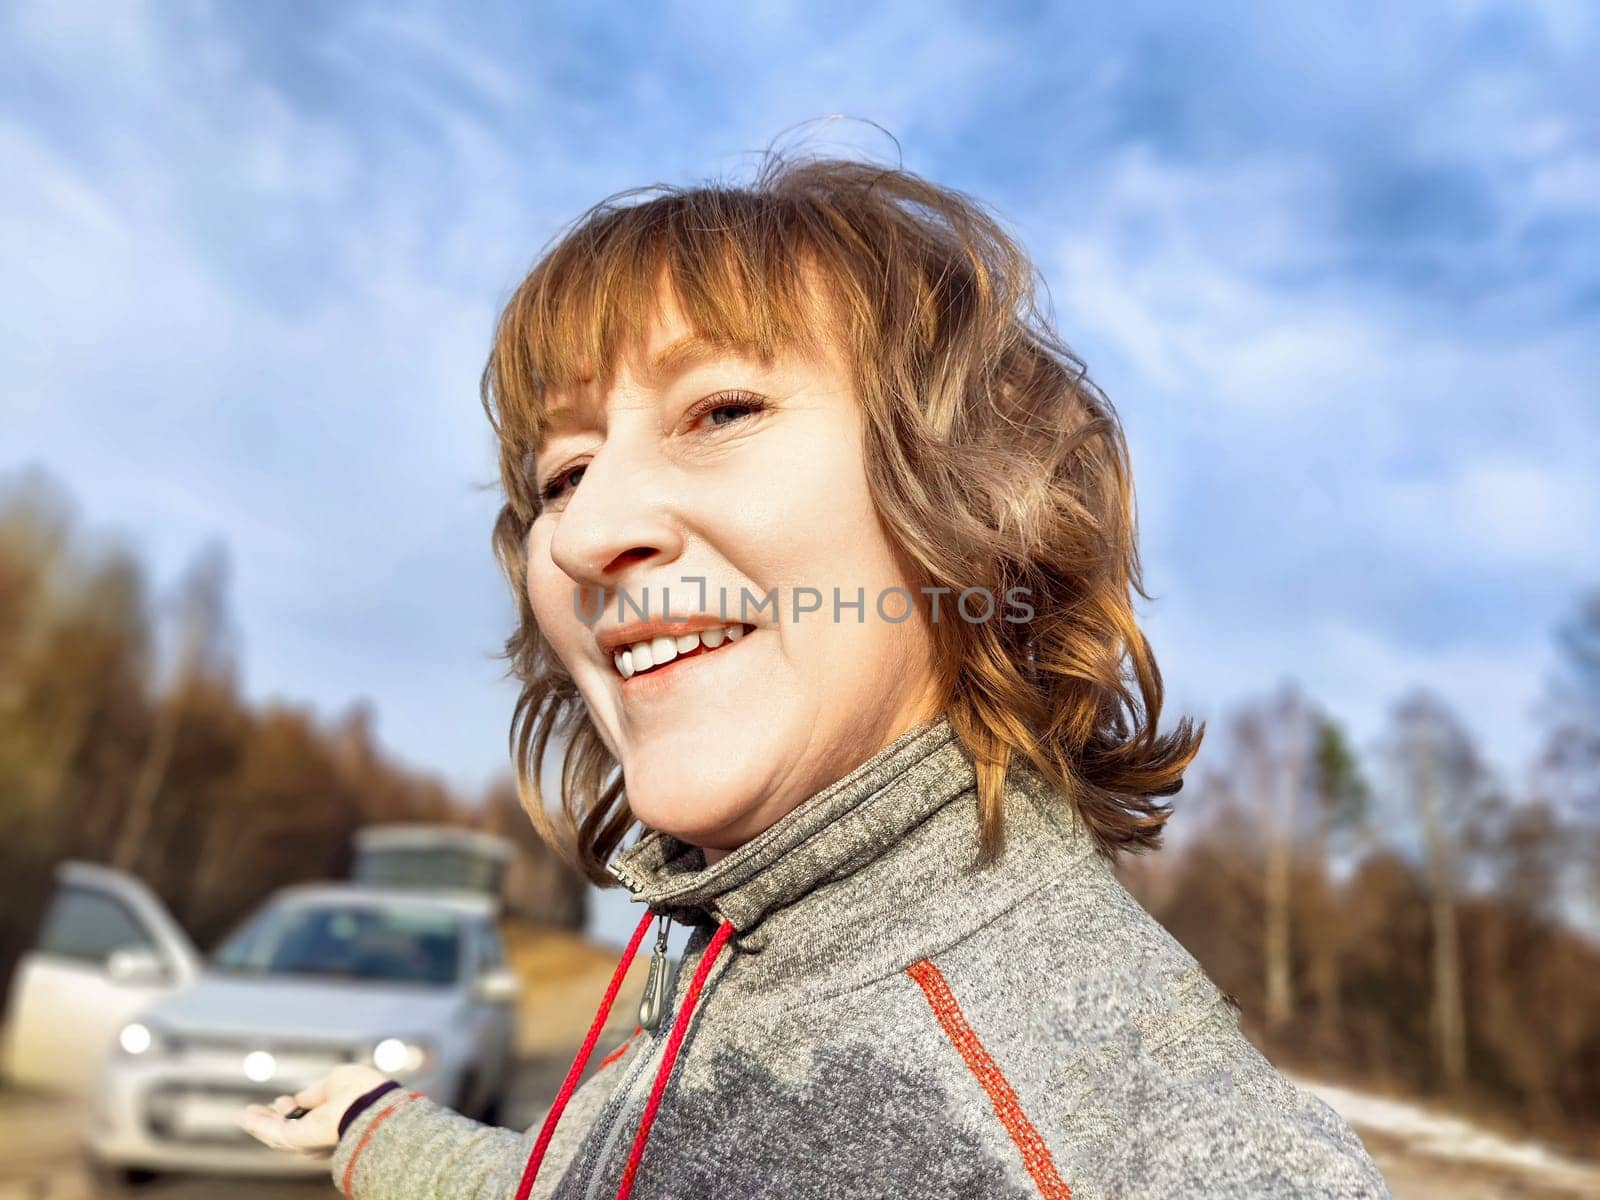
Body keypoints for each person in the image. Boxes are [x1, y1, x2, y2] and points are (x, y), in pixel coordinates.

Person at [238, 151, 1393, 1199]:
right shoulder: (736, 943)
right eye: (563, 472)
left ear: (977, 504)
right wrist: (377, 1127)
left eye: (721, 409)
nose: (589, 533)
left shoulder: (1105, 1127)